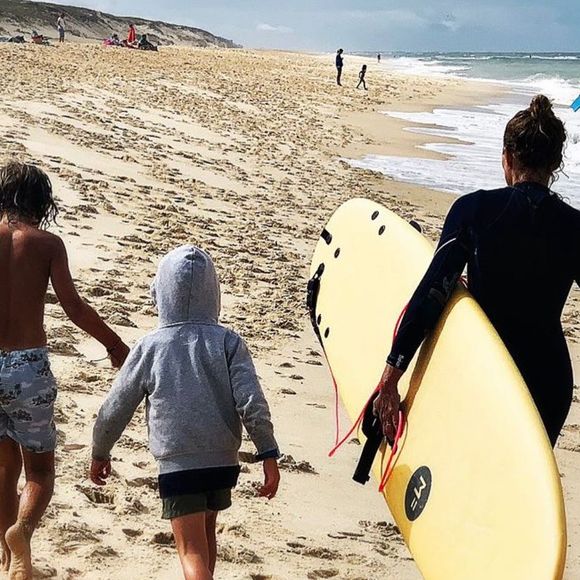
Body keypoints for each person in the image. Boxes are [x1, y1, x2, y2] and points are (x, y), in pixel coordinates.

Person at [375, 95, 580, 448]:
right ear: (556, 163)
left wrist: (392, 375)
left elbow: (429, 297)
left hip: (483, 370)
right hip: (548, 380)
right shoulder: (574, 226)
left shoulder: (474, 210)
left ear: (507, 157)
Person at [91, 245, 281, 580]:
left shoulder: (150, 347)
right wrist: (267, 452)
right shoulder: (228, 342)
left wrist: (100, 451)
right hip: (223, 461)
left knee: (190, 552)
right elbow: (252, 402)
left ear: (161, 292)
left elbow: (115, 407)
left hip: (180, 463)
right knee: (206, 537)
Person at [0, 162, 129, 579]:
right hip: (27, 367)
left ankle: (8, 561)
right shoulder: (47, 243)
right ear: (41, 202)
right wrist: (113, 343)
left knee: (3, 467)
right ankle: (22, 536)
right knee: (40, 471)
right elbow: (73, 307)